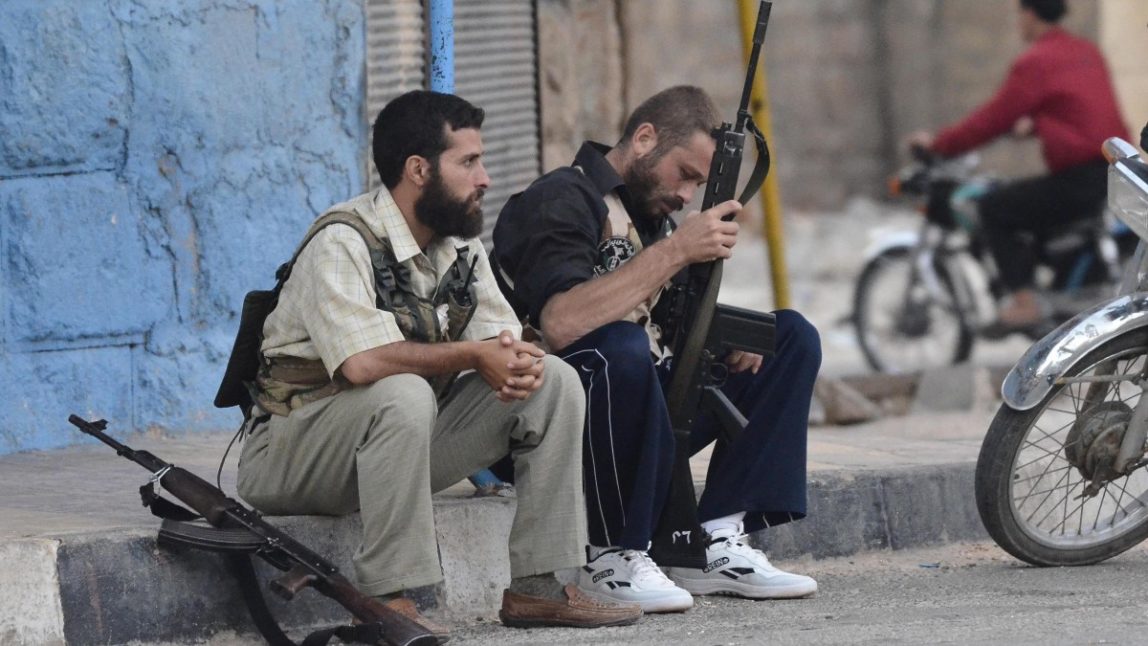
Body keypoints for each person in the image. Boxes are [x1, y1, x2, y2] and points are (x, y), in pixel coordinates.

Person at [234, 90, 642, 638]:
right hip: (291, 453)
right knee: (402, 392)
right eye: (469, 162)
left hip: (390, 446)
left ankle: (538, 588)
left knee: (554, 382)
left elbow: (500, 341)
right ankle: (386, 599)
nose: (486, 178)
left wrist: (516, 357)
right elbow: (361, 364)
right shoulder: (342, 241)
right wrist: (474, 354)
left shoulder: (458, 250)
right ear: (419, 170)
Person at [491, 85, 822, 614]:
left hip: (638, 412)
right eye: (685, 174)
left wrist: (724, 343)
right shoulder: (561, 200)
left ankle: (713, 537)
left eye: (698, 183)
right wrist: (675, 251)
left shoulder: (652, 221)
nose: (688, 195)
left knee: (790, 338)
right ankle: (611, 555)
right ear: (644, 139)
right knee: (618, 348)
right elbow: (562, 323)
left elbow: (664, 331)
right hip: (544, 423)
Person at [909, 0, 1129, 331]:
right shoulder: (1086, 51)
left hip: (1079, 178)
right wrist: (1040, 124)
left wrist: (938, 146)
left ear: (1029, 13)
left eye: (1019, 15)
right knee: (1029, 203)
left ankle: (1024, 300)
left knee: (995, 207)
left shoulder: (1037, 61)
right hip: (1114, 171)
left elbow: (992, 119)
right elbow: (1080, 112)